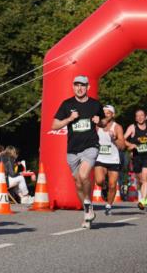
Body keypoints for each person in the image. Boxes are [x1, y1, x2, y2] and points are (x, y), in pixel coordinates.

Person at [50, 75, 103, 228]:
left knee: (84, 175)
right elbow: (54, 125)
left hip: (91, 146)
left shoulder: (95, 104)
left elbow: (104, 122)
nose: (79, 88)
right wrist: (69, 119)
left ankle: (87, 204)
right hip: (73, 149)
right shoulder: (67, 104)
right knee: (78, 182)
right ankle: (88, 208)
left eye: (82, 85)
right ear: (73, 87)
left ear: (88, 87)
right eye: (76, 85)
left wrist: (99, 121)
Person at [123, 109, 147, 211]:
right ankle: (144, 195)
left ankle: (143, 200)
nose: (139, 117)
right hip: (136, 157)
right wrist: (130, 145)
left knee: (145, 178)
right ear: (135, 118)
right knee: (139, 179)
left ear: (145, 117)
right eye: (137, 116)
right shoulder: (132, 128)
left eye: (141, 115)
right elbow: (123, 139)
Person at [94, 104, 126, 216]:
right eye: (104, 113)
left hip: (113, 159)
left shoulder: (117, 127)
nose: (106, 115)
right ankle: (103, 187)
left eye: (108, 113)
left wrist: (115, 139)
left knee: (113, 185)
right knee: (99, 180)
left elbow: (122, 146)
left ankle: (108, 206)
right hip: (100, 158)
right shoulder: (97, 126)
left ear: (113, 115)